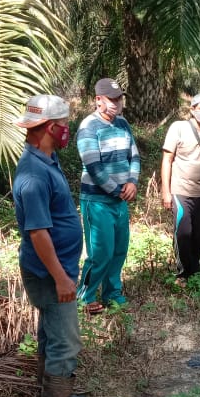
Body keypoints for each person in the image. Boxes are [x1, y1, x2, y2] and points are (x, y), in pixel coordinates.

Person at [13, 94, 86, 397]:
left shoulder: (47, 160)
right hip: (48, 272)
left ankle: (56, 393)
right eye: (64, 126)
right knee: (66, 340)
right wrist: (60, 278)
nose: (68, 131)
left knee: (51, 332)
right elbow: (38, 232)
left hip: (58, 267)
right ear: (48, 128)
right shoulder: (32, 175)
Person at [76, 78, 140, 314]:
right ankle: (86, 296)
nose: (116, 104)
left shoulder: (122, 124)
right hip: (97, 201)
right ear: (98, 100)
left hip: (120, 200)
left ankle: (112, 292)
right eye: (111, 99)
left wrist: (132, 182)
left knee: (119, 249)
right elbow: (94, 166)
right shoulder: (88, 127)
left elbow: (134, 155)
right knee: (100, 251)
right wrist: (117, 189)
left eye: (118, 99)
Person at [161, 93, 200, 285]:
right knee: (183, 232)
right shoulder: (178, 128)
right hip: (180, 191)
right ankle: (183, 273)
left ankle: (194, 269)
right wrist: (166, 191)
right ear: (192, 110)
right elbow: (167, 160)